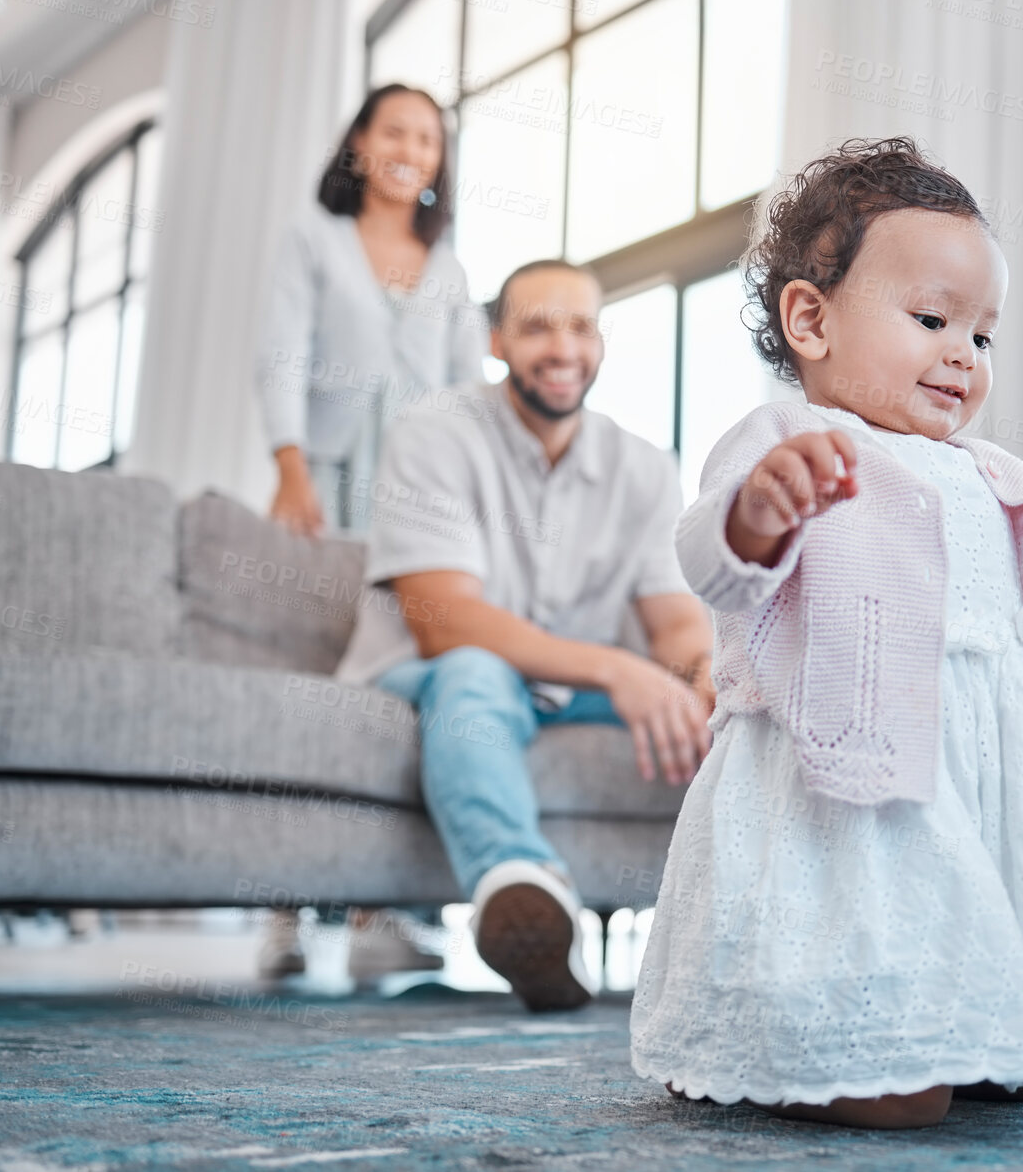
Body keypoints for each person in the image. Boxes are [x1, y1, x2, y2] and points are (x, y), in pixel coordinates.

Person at [629, 138, 1023, 1128]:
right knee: (883, 1038)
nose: (963, 352)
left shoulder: (997, 479)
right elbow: (707, 560)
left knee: (1007, 1046)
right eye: (930, 319)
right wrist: (760, 512)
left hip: (981, 777)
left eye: (982, 334)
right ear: (810, 318)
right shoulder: (785, 445)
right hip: (844, 787)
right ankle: (771, 1045)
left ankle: (979, 1030)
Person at [334, 259, 716, 1010]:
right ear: (496, 340)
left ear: (601, 343)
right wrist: (615, 668)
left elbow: (672, 623)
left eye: (580, 328)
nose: (562, 349)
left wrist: (704, 673)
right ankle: (522, 892)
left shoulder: (642, 466)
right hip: (430, 670)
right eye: (537, 327)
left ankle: (752, 929)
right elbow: (444, 623)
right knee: (476, 671)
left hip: (569, 689)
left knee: (729, 707)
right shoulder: (434, 432)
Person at [258, 84, 488, 535]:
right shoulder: (313, 239)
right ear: (359, 142)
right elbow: (282, 355)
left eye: (427, 140)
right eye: (394, 133)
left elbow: (468, 387)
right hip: (325, 470)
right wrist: (290, 469)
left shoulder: (450, 272)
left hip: (422, 482)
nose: (410, 150)